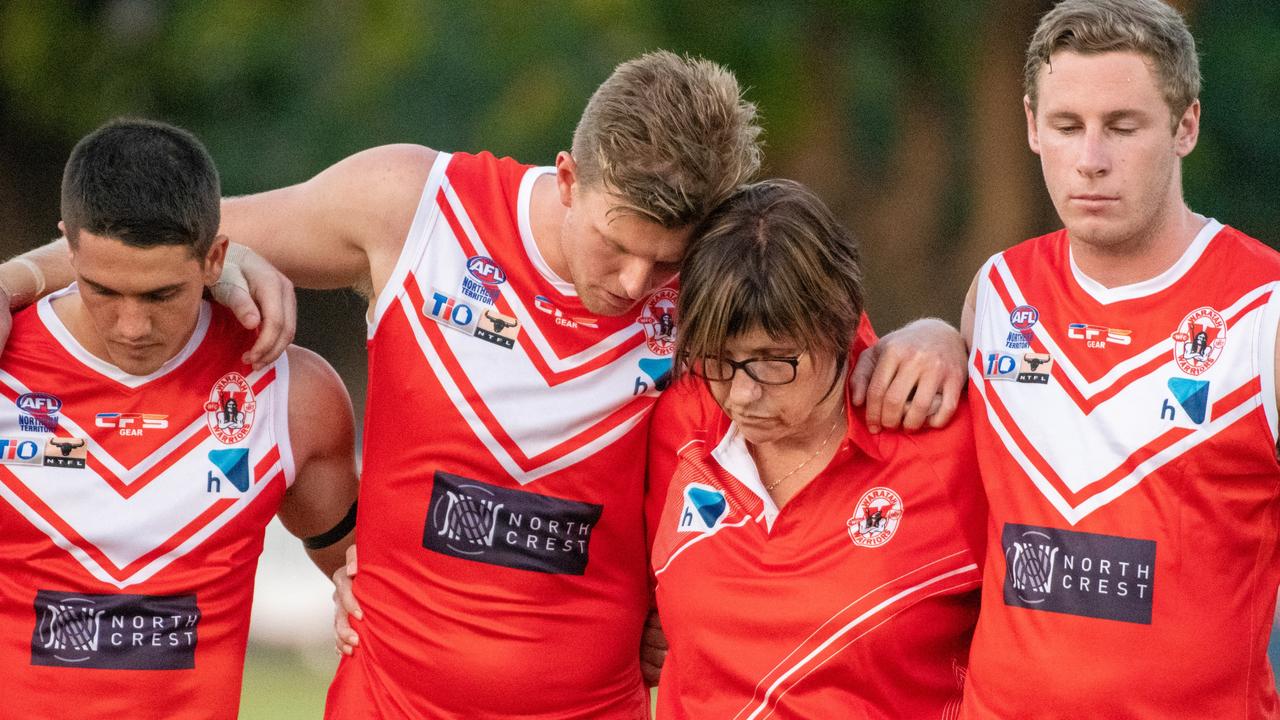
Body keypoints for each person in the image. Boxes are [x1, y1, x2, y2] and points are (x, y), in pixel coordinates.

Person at [0, 52, 968, 717]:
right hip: (388, 697)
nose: (633, 285)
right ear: (567, 176)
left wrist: (936, 334)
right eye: (616, 244)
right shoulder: (411, 208)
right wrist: (24, 279)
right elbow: (169, 237)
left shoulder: (707, 283)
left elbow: (838, 366)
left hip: (594, 704)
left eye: (661, 261)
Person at [960, 0, 1280, 716]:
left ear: (1185, 127)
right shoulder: (997, 292)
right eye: (1067, 126)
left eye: (1123, 127)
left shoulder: (1265, 312)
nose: (1091, 159)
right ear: (1032, 127)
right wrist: (927, 335)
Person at [0, 119, 359, 718]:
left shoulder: (292, 395)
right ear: (68, 248)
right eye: (103, 289)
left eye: (161, 295)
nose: (131, 327)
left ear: (217, 255)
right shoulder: (6, 368)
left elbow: (376, 579)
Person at [645, 179, 985, 718]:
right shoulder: (677, 422)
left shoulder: (949, 444)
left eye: (773, 361)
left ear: (839, 323)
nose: (742, 394)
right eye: (717, 359)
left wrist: (945, 335)